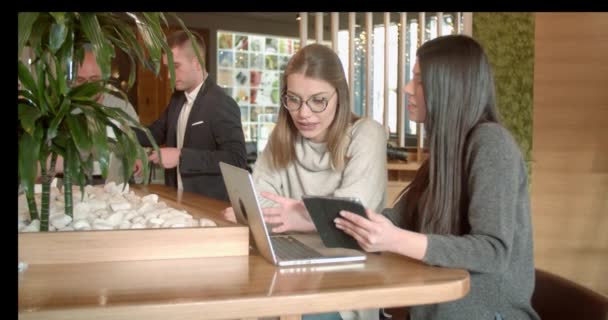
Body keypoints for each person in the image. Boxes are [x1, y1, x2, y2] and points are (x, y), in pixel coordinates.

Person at [334, 35, 540, 320]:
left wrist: (394, 240)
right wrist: (322, 218)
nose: (406, 89)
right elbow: (398, 219)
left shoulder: (492, 144)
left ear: (448, 86)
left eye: (418, 80)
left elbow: (492, 250)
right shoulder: (446, 150)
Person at [223, 43, 388, 320]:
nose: (304, 113)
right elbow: (261, 200)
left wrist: (298, 217)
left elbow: (353, 212)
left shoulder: (366, 134)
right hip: (290, 267)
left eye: (318, 100)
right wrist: (269, 215)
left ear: (340, 96)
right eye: (294, 99)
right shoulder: (283, 136)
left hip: (345, 277)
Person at [135, 31, 247, 200]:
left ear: (196, 63)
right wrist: (115, 131)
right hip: (177, 200)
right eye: (168, 69)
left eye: (176, 67)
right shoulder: (177, 99)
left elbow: (236, 159)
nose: (168, 76)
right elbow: (156, 133)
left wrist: (181, 156)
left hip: (209, 205)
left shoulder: (221, 103)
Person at [36, 46, 142, 185]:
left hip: (114, 193)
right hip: (71, 195)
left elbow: (139, 157)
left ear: (104, 78)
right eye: (80, 80)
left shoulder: (123, 109)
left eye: (94, 79)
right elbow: (42, 168)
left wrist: (137, 160)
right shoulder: (61, 111)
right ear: (72, 81)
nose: (88, 86)